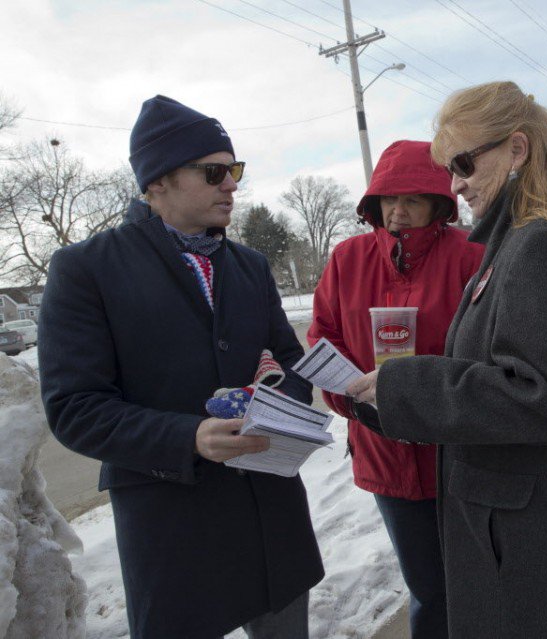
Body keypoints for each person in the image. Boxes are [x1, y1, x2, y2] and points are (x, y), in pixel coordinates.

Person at [347, 81, 547, 638]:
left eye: (464, 163)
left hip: (538, 539)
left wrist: (407, 386)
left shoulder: (543, 243)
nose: (456, 184)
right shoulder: (520, 238)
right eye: (450, 170)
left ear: (517, 148)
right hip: (532, 526)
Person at [38, 96, 323, 638]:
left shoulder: (250, 265)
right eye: (214, 172)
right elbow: (75, 409)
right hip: (173, 529)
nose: (231, 185)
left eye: (235, 170)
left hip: (271, 517)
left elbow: (290, 360)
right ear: (158, 181)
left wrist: (283, 404)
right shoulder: (86, 268)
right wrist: (189, 436)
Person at [307, 139, 483, 638]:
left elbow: (489, 343)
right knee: (427, 585)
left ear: (438, 204)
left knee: (477, 580)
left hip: (461, 452)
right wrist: (351, 401)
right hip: (384, 451)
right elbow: (323, 336)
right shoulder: (348, 258)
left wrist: (442, 397)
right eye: (389, 200)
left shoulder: (470, 254)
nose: (398, 212)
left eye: (412, 200)